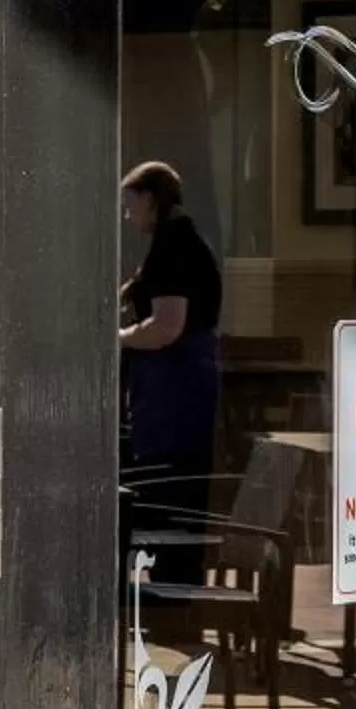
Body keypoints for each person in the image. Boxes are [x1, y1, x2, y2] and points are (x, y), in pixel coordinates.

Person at [120, 161, 223, 542]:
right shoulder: (180, 240)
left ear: (150, 199)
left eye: (131, 206)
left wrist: (117, 338)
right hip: (179, 387)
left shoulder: (173, 245)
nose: (129, 217)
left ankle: (172, 592)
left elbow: (165, 327)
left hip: (175, 392)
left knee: (169, 492)